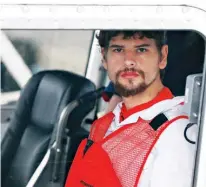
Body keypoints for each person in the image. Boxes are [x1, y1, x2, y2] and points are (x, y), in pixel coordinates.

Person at [65, 30, 197, 187]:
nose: (129, 61)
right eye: (118, 50)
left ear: (162, 57)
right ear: (104, 58)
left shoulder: (176, 134)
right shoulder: (105, 123)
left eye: (141, 49)